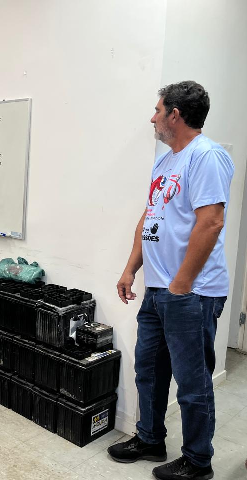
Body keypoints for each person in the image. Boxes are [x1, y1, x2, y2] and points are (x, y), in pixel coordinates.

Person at [108, 81, 234, 480]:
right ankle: (150, 439)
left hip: (191, 293)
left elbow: (211, 222)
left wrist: (181, 284)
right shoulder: (166, 161)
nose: (153, 118)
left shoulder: (206, 156)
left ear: (175, 115)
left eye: (158, 110)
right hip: (158, 289)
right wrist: (131, 268)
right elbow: (151, 218)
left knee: (193, 383)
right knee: (149, 370)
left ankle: (198, 461)